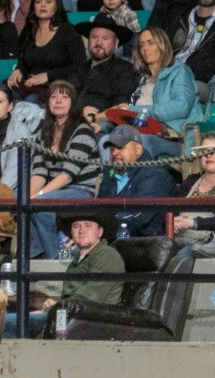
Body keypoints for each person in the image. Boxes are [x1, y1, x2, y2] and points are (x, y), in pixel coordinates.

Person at [3, 209, 125, 337]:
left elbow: (89, 297)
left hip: (93, 321)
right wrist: (54, 306)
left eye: (88, 226)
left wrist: (53, 308)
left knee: (5, 323)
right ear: (71, 232)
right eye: (76, 226)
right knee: (4, 318)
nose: (82, 231)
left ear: (99, 232)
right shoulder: (78, 260)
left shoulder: (107, 255)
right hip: (70, 316)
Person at [29, 80, 100, 259]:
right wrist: (28, 197)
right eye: (53, 97)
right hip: (55, 190)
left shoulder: (82, 130)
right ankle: (34, 258)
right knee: (22, 204)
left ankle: (55, 259)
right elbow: (39, 172)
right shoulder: (42, 132)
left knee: (40, 205)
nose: (58, 101)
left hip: (80, 189)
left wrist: (40, 196)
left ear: (73, 103)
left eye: (64, 97)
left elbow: (68, 175)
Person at [122, 27, 202, 159]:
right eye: (141, 45)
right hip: (142, 130)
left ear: (162, 45)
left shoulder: (178, 72)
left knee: (140, 141)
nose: (145, 48)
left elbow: (181, 107)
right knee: (107, 138)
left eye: (150, 43)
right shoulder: (142, 79)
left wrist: (135, 110)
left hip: (174, 137)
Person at [98, 125, 178, 238]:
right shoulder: (110, 173)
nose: (114, 153)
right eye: (112, 149)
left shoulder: (155, 175)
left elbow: (138, 217)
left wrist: (99, 231)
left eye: (120, 148)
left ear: (138, 150)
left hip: (146, 242)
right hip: (113, 237)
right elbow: (99, 207)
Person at [7, 0, 87, 103]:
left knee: (31, 100)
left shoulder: (68, 32)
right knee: (3, 92)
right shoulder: (29, 29)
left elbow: (80, 66)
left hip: (56, 86)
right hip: (30, 84)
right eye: (38, 2)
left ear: (57, 6)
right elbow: (25, 62)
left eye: (48, 2)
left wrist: (48, 75)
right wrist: (19, 70)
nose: (43, 5)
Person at [74, 14, 138, 133]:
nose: (98, 42)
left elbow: (121, 107)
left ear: (116, 43)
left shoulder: (124, 69)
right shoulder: (77, 68)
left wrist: (94, 117)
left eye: (105, 38)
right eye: (94, 37)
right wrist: (79, 111)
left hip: (103, 126)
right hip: (70, 121)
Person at [172, 133, 215, 255]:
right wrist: (173, 221)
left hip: (207, 244)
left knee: (183, 255)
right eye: (204, 151)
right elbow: (171, 207)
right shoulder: (192, 180)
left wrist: (194, 223)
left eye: (214, 151)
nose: (208, 155)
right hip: (181, 238)